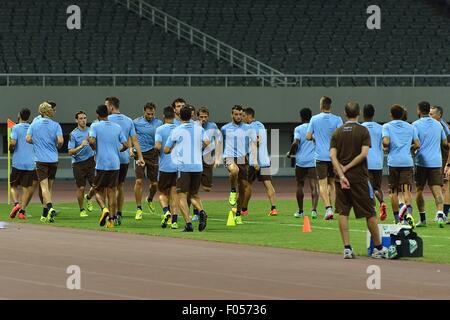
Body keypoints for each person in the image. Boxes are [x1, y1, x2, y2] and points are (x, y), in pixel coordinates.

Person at [330, 101, 391, 259]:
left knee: (343, 212)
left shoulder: (337, 132)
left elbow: (332, 156)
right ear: (358, 113)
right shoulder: (363, 131)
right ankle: (378, 248)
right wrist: (348, 167)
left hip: (341, 180)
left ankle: (347, 248)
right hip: (359, 179)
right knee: (370, 212)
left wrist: (341, 172)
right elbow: (364, 154)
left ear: (345, 113)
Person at [164, 106, 210, 232]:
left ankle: (188, 224)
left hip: (183, 167)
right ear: (191, 115)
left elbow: (166, 150)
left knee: (181, 195)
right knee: (194, 194)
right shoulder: (199, 129)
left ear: (179, 116)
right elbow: (207, 142)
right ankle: (201, 211)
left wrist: (177, 148)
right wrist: (196, 148)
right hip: (197, 165)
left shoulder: (176, 130)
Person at [105, 97, 145, 223]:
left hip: (110, 158)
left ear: (111, 106)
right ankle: (119, 213)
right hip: (124, 158)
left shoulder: (105, 120)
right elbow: (135, 140)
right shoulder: (128, 120)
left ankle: (111, 214)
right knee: (120, 186)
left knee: (110, 187)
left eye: (106, 105)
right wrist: (141, 157)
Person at [88, 104, 128, 228]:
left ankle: (104, 209)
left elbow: (92, 141)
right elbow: (126, 145)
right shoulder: (117, 127)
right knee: (112, 191)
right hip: (115, 163)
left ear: (97, 114)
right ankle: (111, 219)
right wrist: (117, 150)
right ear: (108, 114)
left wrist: (94, 148)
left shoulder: (95, 125)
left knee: (96, 189)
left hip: (102, 163)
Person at [382, 104, 420, 227]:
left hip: (393, 162)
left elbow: (386, 142)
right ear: (403, 114)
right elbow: (418, 144)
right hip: (407, 162)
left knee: (393, 191)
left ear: (391, 114)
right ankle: (409, 215)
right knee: (406, 190)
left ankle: (398, 219)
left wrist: (385, 146)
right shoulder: (411, 127)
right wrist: (411, 147)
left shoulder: (387, 126)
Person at [306, 96, 343, 220]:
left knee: (322, 183)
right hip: (333, 156)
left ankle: (328, 208)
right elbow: (340, 136)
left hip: (320, 156)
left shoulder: (314, 119)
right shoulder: (338, 119)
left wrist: (315, 138)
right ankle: (332, 206)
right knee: (332, 183)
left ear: (321, 106)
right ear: (330, 106)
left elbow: (308, 136)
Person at [26, 102, 64, 223]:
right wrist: (56, 146)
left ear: (40, 112)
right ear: (49, 111)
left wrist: (36, 142)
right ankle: (45, 214)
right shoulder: (56, 125)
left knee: (44, 187)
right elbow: (61, 141)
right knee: (49, 187)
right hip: (53, 159)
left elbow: (27, 139)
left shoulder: (34, 124)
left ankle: (50, 207)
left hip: (40, 159)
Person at [412, 101, 448, 228]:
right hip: (436, 162)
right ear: (428, 111)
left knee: (419, 190)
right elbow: (445, 143)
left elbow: (415, 143)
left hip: (421, 162)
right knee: (437, 190)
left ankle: (422, 219)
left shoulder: (415, 125)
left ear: (419, 110)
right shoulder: (438, 125)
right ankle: (439, 214)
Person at [221, 105, 257, 224]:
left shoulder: (249, 128)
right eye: (235, 114)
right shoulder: (225, 128)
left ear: (243, 115)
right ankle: (232, 190)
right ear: (232, 115)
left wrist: (255, 160)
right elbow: (219, 142)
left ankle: (238, 214)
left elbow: (253, 145)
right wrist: (217, 157)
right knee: (234, 171)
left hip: (243, 159)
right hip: (229, 156)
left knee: (242, 188)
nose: (238, 117)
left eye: (240, 115)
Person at [243, 107, 278, 216]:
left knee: (247, 185)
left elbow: (256, 141)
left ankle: (244, 210)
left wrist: (254, 160)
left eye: (244, 116)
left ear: (249, 116)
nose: (242, 118)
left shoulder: (251, 127)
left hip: (255, 161)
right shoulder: (261, 125)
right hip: (265, 160)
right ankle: (273, 208)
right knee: (268, 184)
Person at [191, 106, 222, 222]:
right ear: (197, 117)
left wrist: (218, 158)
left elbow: (219, 141)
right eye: (201, 117)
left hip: (208, 159)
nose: (203, 119)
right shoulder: (194, 125)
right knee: (194, 188)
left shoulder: (212, 126)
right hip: (195, 159)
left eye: (205, 117)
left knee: (207, 188)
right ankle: (196, 212)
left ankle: (197, 210)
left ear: (208, 117)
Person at [133, 103, 163, 220]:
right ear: (143, 111)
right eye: (148, 114)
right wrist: (131, 148)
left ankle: (150, 199)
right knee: (139, 181)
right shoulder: (136, 122)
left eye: (152, 114)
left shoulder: (159, 123)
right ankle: (139, 209)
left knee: (155, 184)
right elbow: (131, 136)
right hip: (139, 154)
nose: (150, 116)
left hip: (152, 154)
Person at [289, 108, 319, 219]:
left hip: (301, 161)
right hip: (313, 161)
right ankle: (314, 210)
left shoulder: (298, 129)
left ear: (301, 117)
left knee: (300, 185)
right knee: (314, 186)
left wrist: (290, 153)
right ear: (311, 117)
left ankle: (301, 211)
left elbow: (295, 142)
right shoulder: (314, 128)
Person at [9, 108, 38, 219]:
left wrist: (10, 146)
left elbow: (13, 143)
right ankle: (22, 211)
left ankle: (16, 204)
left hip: (18, 162)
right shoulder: (32, 128)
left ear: (19, 115)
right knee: (26, 188)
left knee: (13, 185)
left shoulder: (15, 128)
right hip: (30, 163)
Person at [361, 104, 388, 221]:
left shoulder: (361, 128)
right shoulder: (380, 128)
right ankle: (382, 202)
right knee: (377, 187)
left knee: (367, 188)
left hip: (365, 162)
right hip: (378, 162)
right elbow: (384, 144)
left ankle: (372, 210)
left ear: (363, 113)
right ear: (373, 113)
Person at [68, 111, 96, 218]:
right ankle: (82, 209)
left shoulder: (91, 131)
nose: (83, 120)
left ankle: (88, 197)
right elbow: (70, 152)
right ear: (76, 120)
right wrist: (81, 146)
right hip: (78, 163)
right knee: (81, 188)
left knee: (96, 186)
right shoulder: (73, 134)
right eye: (80, 118)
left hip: (90, 161)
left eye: (84, 118)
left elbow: (95, 144)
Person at [155, 106, 179, 229]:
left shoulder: (160, 129)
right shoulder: (179, 129)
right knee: (175, 195)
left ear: (163, 116)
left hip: (164, 167)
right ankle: (174, 221)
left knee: (163, 193)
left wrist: (158, 152)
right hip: (178, 167)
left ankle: (166, 212)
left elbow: (158, 146)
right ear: (174, 116)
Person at [430, 105, 450, 224]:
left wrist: (448, 164)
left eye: (432, 114)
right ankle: (443, 214)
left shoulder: (444, 127)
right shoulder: (437, 126)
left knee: (445, 187)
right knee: (444, 188)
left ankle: (443, 214)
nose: (430, 116)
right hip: (441, 161)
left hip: (444, 161)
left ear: (439, 115)